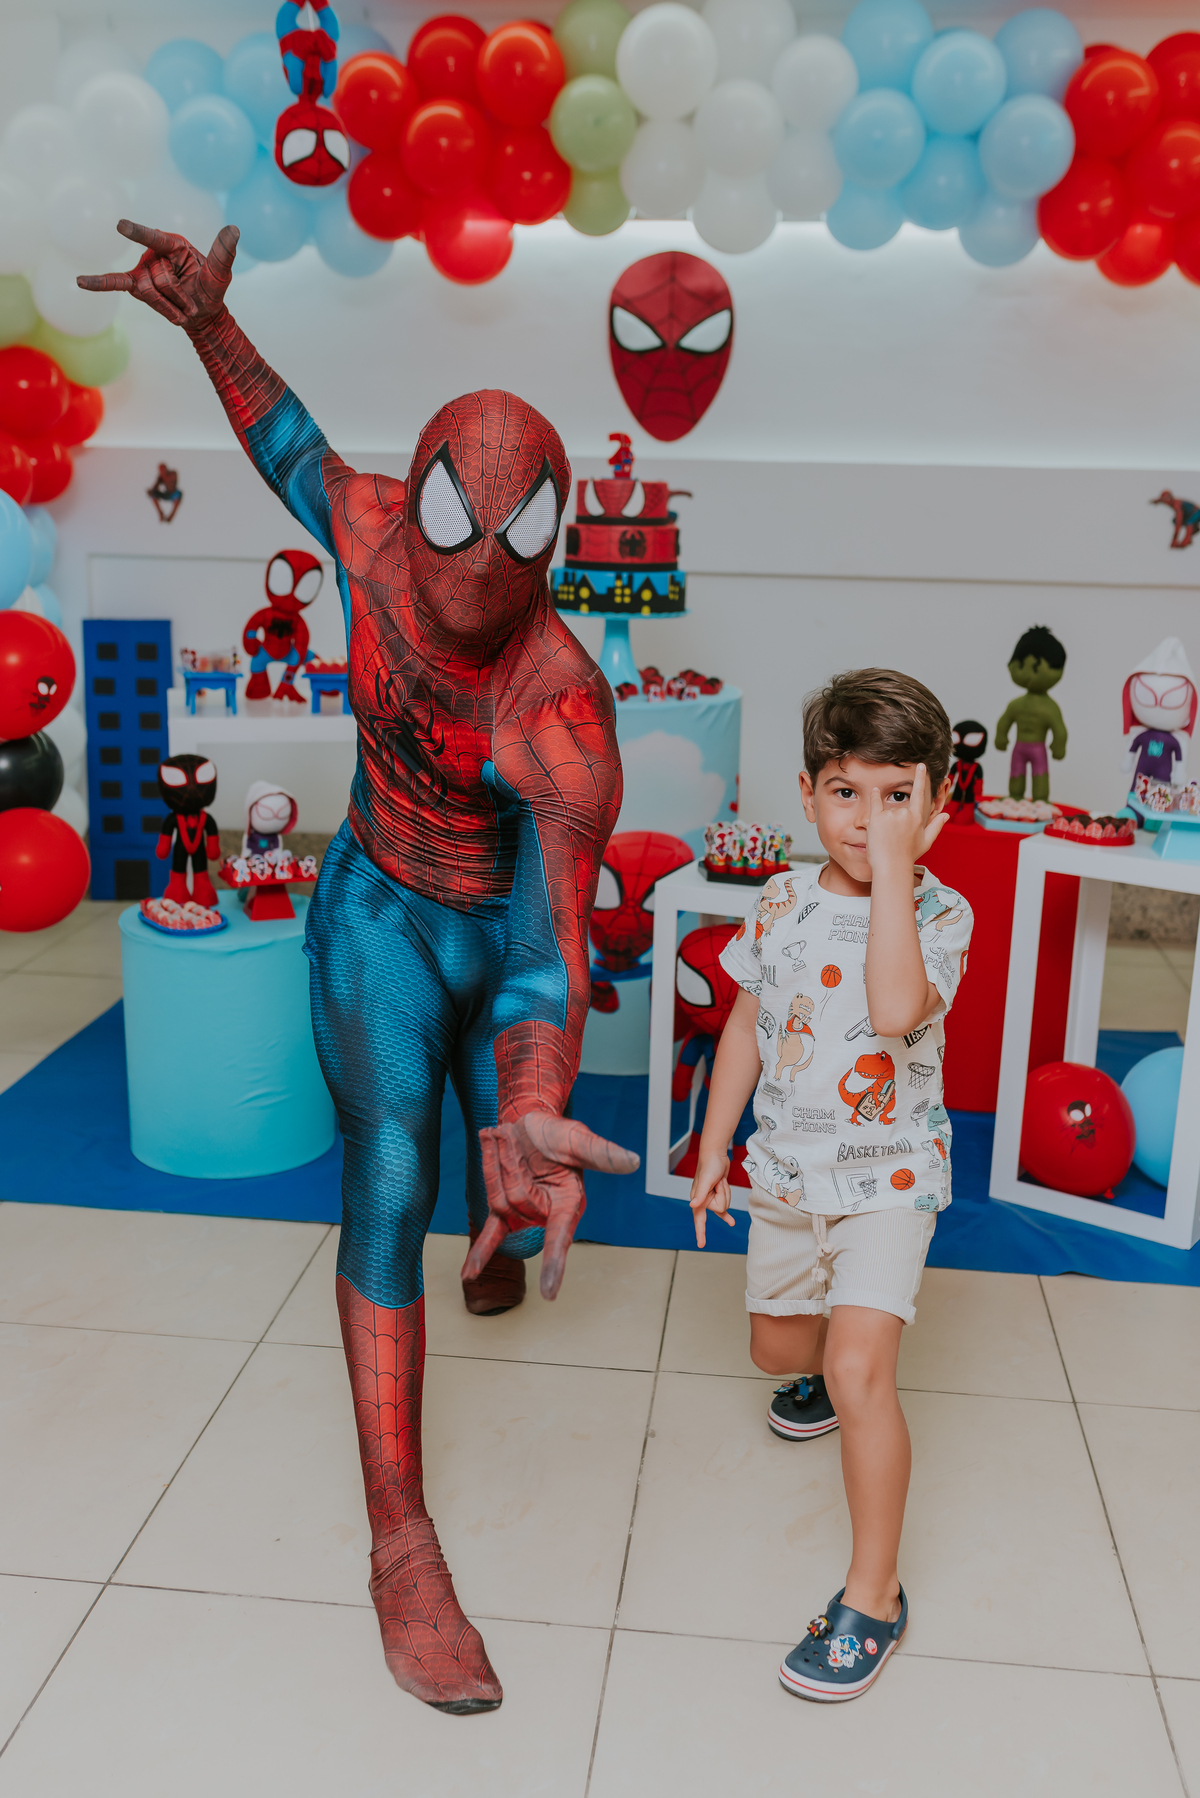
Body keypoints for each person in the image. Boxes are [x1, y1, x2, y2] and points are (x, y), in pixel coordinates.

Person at [80, 222, 639, 1715]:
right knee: (390, 1167)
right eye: (457, 527)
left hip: (486, 918)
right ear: (424, 509)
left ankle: (496, 1208)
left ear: (555, 545)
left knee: (486, 1133)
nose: (469, 571)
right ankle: (402, 1537)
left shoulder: (561, 710)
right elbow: (285, 436)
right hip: (379, 902)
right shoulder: (374, 527)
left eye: (512, 545)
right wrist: (207, 321)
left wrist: (531, 1097)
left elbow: (547, 946)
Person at [688, 668, 972, 1702]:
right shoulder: (778, 902)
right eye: (847, 793)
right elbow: (745, 1028)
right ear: (807, 797)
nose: (870, 820)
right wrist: (714, 1146)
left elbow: (895, 1009)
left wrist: (895, 874)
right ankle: (815, 1370)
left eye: (899, 795)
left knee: (862, 1377)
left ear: (938, 805)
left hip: (890, 1179)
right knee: (779, 1350)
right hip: (786, 1175)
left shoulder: (942, 914)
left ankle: (874, 1595)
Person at [995, 624, 1067, 802]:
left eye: (1037, 668)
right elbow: (1005, 721)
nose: (1029, 674)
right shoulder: (1016, 705)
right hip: (1019, 747)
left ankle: (1040, 799)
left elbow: (1059, 729)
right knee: (1016, 771)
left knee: (1040, 774)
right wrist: (1001, 736)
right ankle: (1015, 797)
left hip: (1038, 748)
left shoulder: (1050, 708)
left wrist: (1059, 745)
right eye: (1020, 665)